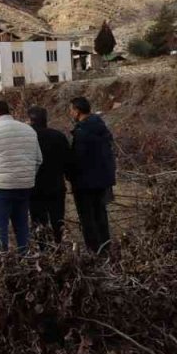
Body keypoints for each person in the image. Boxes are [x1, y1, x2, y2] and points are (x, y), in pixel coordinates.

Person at [0, 99, 41, 252]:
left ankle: (2, 262)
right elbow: (38, 159)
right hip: (25, 186)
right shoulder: (28, 130)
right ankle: (25, 258)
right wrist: (27, 177)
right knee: (22, 225)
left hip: (0, 188)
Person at [67, 96, 116, 254]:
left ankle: (94, 251)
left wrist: (70, 176)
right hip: (102, 180)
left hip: (85, 182)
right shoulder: (101, 127)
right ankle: (105, 247)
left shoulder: (82, 132)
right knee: (101, 215)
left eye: (71, 109)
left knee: (88, 219)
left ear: (77, 111)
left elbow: (77, 159)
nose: (70, 113)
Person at [27, 105, 70, 246]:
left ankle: (43, 250)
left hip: (35, 187)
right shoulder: (58, 136)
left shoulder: (28, 137)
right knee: (58, 220)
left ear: (30, 120)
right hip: (56, 185)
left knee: (38, 221)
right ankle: (59, 246)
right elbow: (68, 160)